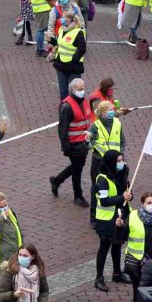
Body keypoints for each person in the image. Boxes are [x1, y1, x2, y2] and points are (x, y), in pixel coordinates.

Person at [92, 149, 133, 293]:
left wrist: (129, 196)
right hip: (106, 219)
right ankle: (99, 278)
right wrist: (122, 197)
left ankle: (117, 273)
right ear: (111, 162)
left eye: (122, 160)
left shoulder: (122, 174)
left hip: (120, 215)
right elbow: (104, 201)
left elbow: (127, 191)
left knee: (117, 244)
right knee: (104, 247)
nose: (122, 163)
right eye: (118, 161)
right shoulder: (102, 179)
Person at [50, 78, 91, 206]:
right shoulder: (67, 106)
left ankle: (57, 180)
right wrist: (66, 147)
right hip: (74, 144)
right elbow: (63, 129)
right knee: (77, 169)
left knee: (78, 166)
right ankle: (77, 196)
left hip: (83, 142)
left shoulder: (84, 101)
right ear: (72, 90)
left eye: (83, 88)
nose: (82, 91)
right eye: (80, 89)